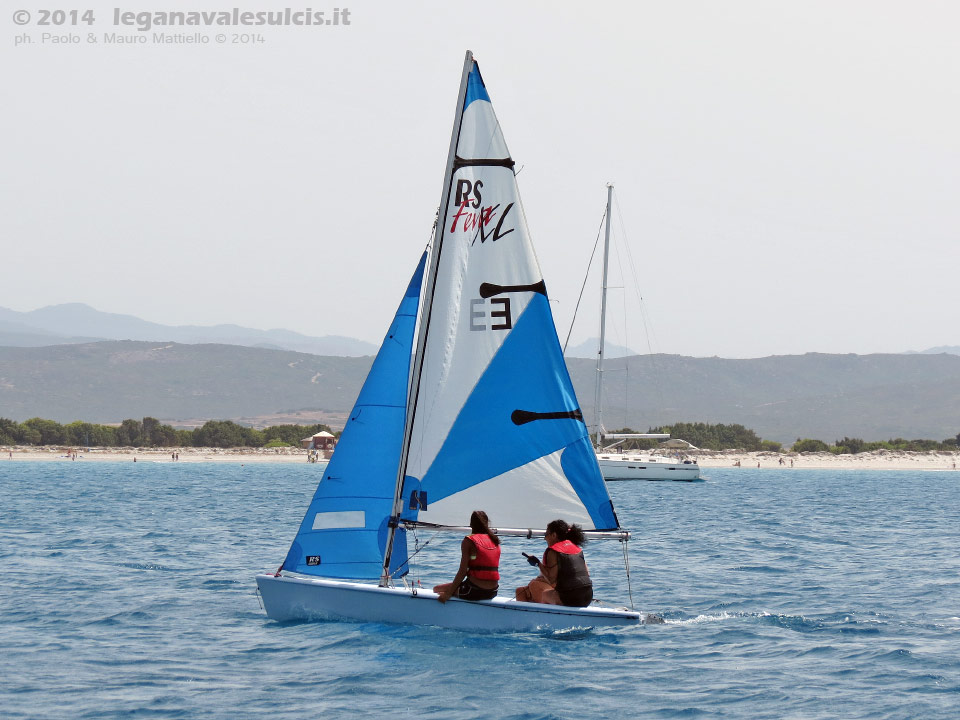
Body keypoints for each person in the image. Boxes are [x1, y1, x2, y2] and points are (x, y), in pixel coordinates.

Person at [516, 519, 593, 607]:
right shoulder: (576, 548)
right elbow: (586, 573)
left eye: (546, 534)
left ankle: (546, 619)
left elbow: (551, 580)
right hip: (588, 596)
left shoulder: (552, 551)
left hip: (570, 597)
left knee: (545, 595)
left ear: (554, 535)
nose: (545, 538)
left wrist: (538, 564)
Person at [433, 510, 500, 603]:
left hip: (474, 591)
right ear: (487, 523)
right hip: (493, 591)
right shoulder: (495, 540)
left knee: (437, 589)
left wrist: (448, 594)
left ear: (471, 524)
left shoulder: (468, 541)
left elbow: (462, 571)